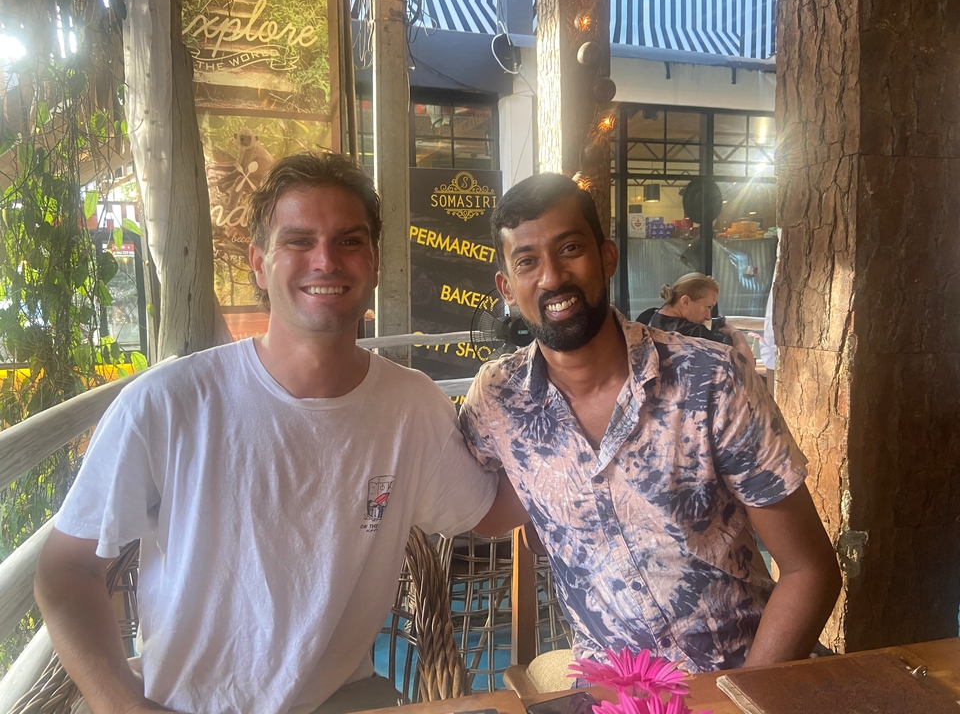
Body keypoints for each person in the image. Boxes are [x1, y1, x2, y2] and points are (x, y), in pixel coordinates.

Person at [34, 152, 513, 714]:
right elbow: (66, 572)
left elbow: (490, 512)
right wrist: (123, 706)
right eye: (299, 241)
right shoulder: (167, 403)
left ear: (376, 263)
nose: (326, 260)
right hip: (187, 706)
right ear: (259, 263)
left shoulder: (411, 406)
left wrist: (577, 421)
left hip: (341, 699)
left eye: (350, 241)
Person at [459, 173, 841, 673]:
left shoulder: (711, 379)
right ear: (508, 287)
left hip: (744, 674)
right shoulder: (498, 399)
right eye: (527, 261)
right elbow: (478, 508)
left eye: (570, 248)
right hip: (615, 691)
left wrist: (745, 700)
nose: (551, 277)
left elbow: (810, 570)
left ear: (607, 257)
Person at [638, 273, 755, 362]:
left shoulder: (647, 317)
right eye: (707, 307)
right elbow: (746, 363)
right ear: (685, 301)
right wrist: (735, 332)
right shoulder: (695, 333)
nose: (708, 317)